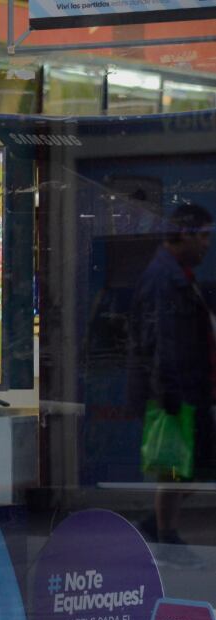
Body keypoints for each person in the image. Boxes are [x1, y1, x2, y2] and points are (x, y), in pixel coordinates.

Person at [127, 203, 214, 566]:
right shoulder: (164, 278)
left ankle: (156, 523)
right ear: (185, 234)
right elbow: (160, 340)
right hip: (177, 393)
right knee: (177, 467)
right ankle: (165, 539)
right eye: (204, 236)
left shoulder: (177, 273)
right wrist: (170, 395)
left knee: (193, 467)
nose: (208, 245)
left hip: (189, 389)